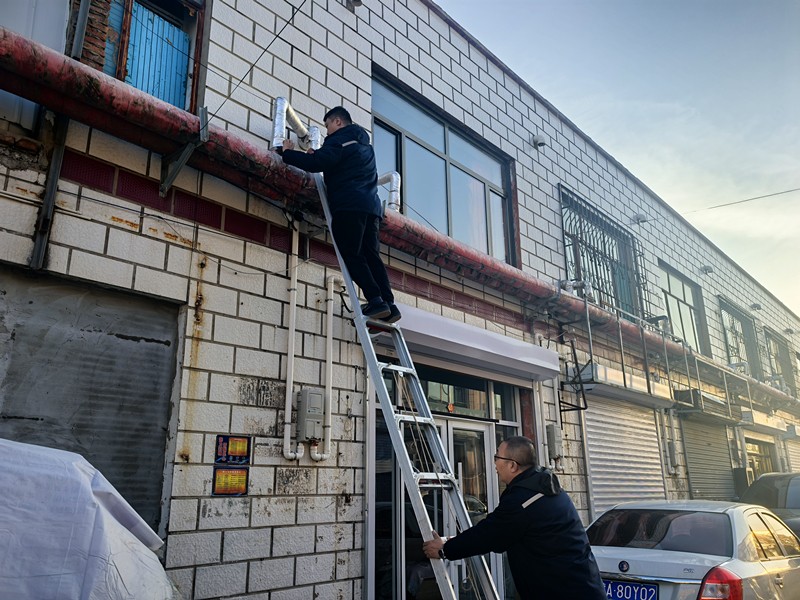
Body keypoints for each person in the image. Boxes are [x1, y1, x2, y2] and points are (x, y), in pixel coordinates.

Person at [422, 436, 606, 599]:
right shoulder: (541, 487)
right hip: (579, 586)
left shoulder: (525, 499)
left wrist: (445, 550)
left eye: (497, 457)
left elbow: (490, 534)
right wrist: (450, 541)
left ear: (512, 465)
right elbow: (501, 527)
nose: (494, 463)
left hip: (565, 592)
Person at [279, 106, 400, 323]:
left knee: (351, 254)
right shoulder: (363, 145)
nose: (326, 132)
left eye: (327, 126)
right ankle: (389, 304)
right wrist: (321, 155)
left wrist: (287, 153)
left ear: (338, 122)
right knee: (371, 256)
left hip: (349, 205)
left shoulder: (339, 140)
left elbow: (316, 164)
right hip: (371, 209)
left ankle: (375, 300)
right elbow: (341, 164)